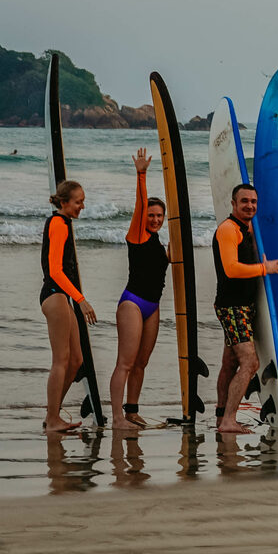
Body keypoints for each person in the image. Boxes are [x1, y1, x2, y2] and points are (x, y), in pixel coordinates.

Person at [212, 183, 278, 434]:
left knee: (230, 363)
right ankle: (230, 420)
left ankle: (221, 416)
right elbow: (231, 269)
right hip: (233, 307)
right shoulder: (228, 230)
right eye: (244, 201)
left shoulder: (246, 229)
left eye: (253, 201)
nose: (249, 205)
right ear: (233, 204)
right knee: (250, 363)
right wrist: (265, 268)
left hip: (243, 306)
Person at [109, 148, 167, 428]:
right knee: (126, 363)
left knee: (141, 363)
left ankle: (132, 411)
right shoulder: (136, 234)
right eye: (152, 215)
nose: (154, 219)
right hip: (132, 303)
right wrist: (141, 174)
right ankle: (117, 417)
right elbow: (140, 205)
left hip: (152, 306)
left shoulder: (158, 243)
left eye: (159, 216)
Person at [39, 178, 96, 433]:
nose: (82, 206)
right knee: (61, 361)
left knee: (76, 360)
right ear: (64, 202)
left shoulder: (63, 223)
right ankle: (52, 419)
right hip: (55, 294)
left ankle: (53, 414)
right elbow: (55, 271)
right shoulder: (59, 224)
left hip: (63, 296)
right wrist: (81, 300)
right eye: (78, 202)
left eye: (83, 201)